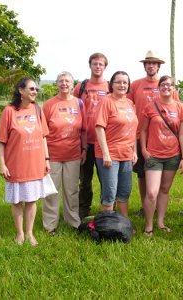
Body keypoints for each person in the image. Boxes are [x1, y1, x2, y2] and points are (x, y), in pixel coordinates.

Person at [0, 77, 50, 246]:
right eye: (32, 88)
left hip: (35, 163)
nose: (35, 92)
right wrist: (2, 164)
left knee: (32, 200)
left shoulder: (37, 109)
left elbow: (43, 137)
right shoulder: (9, 111)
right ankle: (19, 234)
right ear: (21, 90)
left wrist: (46, 159)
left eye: (36, 89)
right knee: (17, 201)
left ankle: (29, 233)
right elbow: (1, 140)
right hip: (16, 164)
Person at [128, 51, 178, 217]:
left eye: (154, 63)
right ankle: (146, 205)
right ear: (144, 66)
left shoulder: (166, 84)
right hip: (140, 135)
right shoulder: (136, 85)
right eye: (147, 63)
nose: (150, 66)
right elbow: (127, 103)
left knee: (163, 176)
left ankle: (158, 206)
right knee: (142, 174)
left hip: (163, 137)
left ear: (158, 66)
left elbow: (175, 109)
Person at [141, 75, 183, 236]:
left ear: (174, 88)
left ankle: (160, 222)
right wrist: (143, 150)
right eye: (163, 85)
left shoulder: (181, 107)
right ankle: (148, 225)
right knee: (152, 192)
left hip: (173, 155)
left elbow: (182, 133)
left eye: (169, 85)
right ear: (158, 87)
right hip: (153, 155)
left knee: (165, 190)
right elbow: (143, 130)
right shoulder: (150, 107)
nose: (166, 87)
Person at [42, 71, 87, 234]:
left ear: (72, 84)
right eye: (61, 81)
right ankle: (50, 224)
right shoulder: (49, 105)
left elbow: (83, 130)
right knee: (52, 191)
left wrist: (84, 150)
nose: (64, 84)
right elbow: (42, 132)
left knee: (72, 190)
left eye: (67, 81)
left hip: (73, 154)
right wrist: (44, 156)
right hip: (53, 154)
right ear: (57, 84)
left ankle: (73, 220)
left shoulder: (79, 103)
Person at [94, 71, 138, 216]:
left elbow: (133, 129)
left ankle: (123, 224)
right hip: (110, 155)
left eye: (125, 82)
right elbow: (99, 127)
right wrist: (106, 153)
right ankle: (106, 226)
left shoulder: (130, 103)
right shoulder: (106, 101)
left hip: (126, 154)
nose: (122, 85)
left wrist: (134, 151)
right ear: (111, 84)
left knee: (124, 191)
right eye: (118, 82)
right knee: (109, 193)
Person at [73, 52, 109, 220]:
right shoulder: (81, 86)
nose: (98, 67)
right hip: (86, 142)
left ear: (105, 67)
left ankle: (107, 210)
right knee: (85, 180)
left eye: (101, 64)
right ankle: (83, 209)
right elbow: (73, 108)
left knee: (106, 179)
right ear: (90, 65)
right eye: (95, 63)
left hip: (104, 143)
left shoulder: (110, 86)